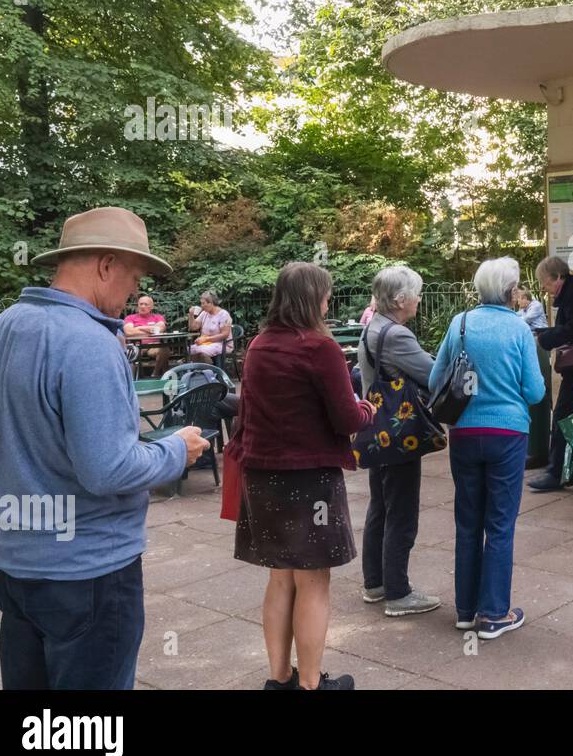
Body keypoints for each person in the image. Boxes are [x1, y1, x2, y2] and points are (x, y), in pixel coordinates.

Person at [0, 207, 207, 689]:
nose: (132, 295)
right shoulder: (88, 341)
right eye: (133, 277)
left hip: (12, 563)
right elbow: (109, 469)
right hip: (87, 573)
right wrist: (175, 450)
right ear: (105, 265)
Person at [232, 262, 376, 690]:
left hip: (260, 474)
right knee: (314, 580)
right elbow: (346, 416)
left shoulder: (258, 345)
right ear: (313, 298)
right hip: (309, 479)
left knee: (280, 577)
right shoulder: (320, 348)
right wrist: (367, 409)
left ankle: (278, 680)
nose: (329, 302)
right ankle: (312, 685)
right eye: (326, 294)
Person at [429, 257, 545, 640]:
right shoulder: (519, 329)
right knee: (499, 524)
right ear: (512, 292)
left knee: (468, 521)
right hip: (508, 435)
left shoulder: (459, 324)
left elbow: (435, 379)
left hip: (464, 432)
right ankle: (494, 613)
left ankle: (465, 611)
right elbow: (535, 391)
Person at [356, 265, 440, 617]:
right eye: (417, 293)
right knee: (401, 512)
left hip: (376, 431)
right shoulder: (398, 335)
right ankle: (398, 593)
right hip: (398, 433)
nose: (420, 299)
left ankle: (375, 583)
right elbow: (433, 374)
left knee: (380, 507)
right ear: (401, 299)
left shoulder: (372, 326)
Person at [530, 256, 573, 492]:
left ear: (558, 277)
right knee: (566, 415)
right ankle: (560, 469)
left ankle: (556, 471)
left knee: (562, 415)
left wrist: (546, 337)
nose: (545, 289)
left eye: (546, 283)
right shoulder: (572, 293)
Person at [122, 294, 171, 375]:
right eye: (140, 304)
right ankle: (133, 380)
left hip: (153, 346)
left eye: (146, 304)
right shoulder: (130, 318)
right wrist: (151, 329)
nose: (142, 306)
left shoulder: (158, 317)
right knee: (130, 353)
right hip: (136, 347)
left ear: (151, 307)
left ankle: (155, 374)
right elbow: (129, 332)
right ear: (137, 306)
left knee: (165, 350)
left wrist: (139, 328)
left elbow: (160, 329)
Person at [187, 290, 233, 363]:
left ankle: (211, 371)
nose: (201, 306)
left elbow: (225, 334)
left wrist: (206, 339)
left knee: (201, 352)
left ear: (211, 303)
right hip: (206, 344)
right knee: (189, 350)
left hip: (222, 344)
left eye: (203, 303)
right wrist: (191, 315)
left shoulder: (224, 314)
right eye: (201, 303)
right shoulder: (205, 313)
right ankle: (197, 372)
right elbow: (193, 327)